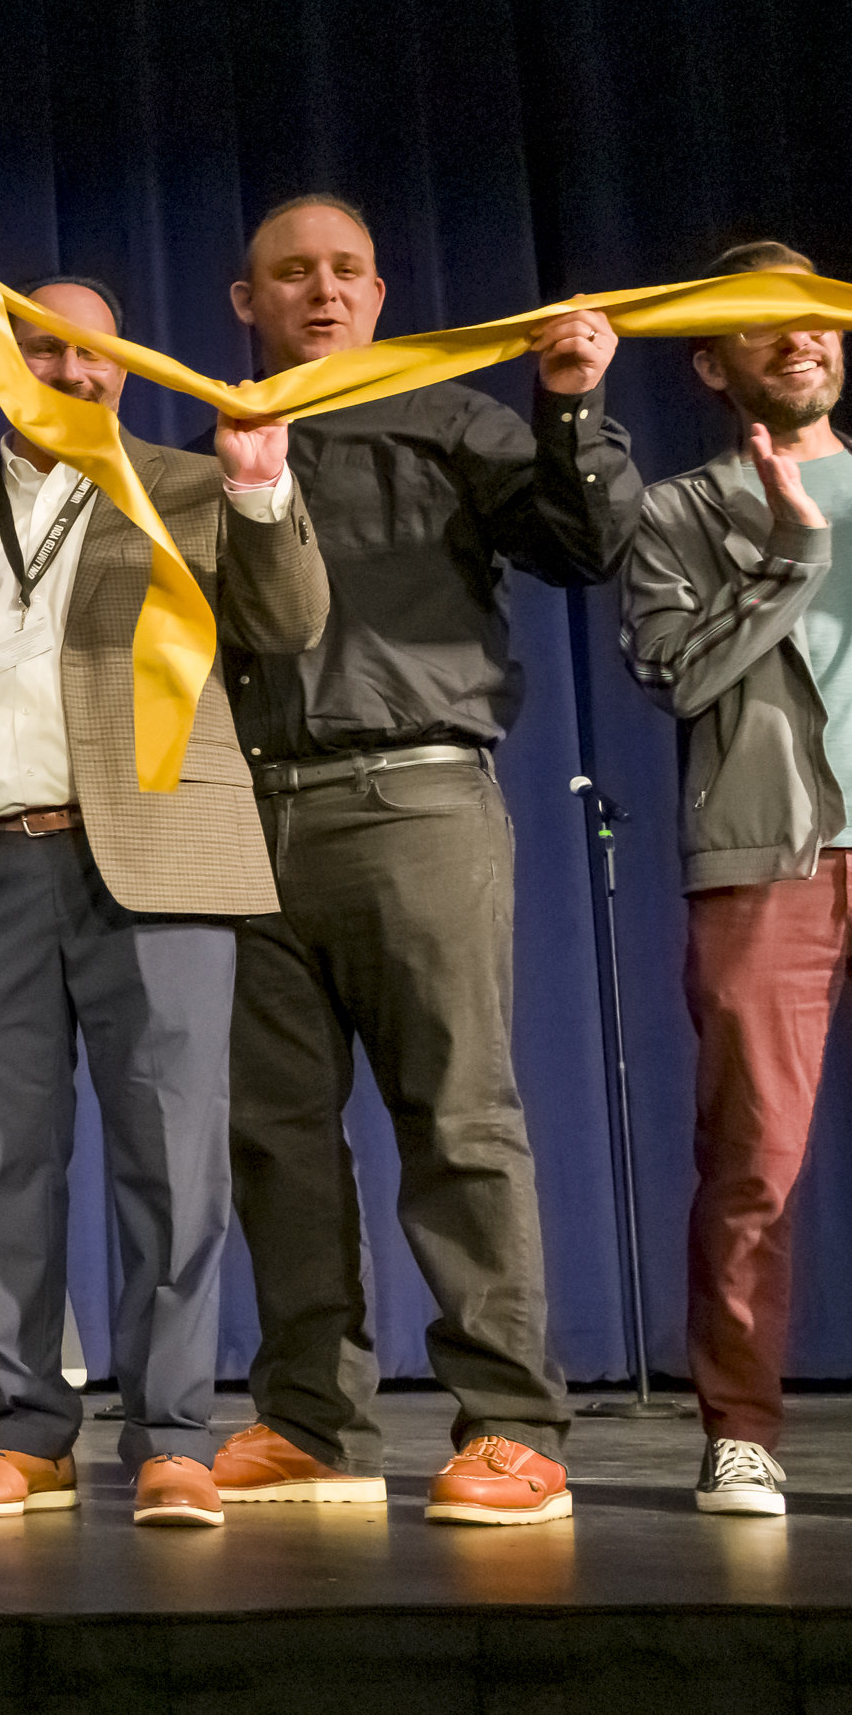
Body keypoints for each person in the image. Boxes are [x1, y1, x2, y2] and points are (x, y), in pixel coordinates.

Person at [0, 276, 325, 1533]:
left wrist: (261, 489)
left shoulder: (181, 487)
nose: (80, 376)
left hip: (157, 863)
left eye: (101, 357)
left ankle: (172, 1433)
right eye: (51, 356)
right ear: (7, 365)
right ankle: (27, 1431)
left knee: (172, 1157)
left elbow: (287, 627)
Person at [209, 194, 630, 1529]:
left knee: (459, 1116)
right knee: (277, 1140)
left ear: (381, 290)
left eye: (346, 270)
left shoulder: (456, 416)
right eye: (293, 274)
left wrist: (568, 403)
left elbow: (583, 542)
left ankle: (512, 1425)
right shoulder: (214, 439)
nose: (323, 292)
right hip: (250, 817)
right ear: (246, 300)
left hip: (417, 801)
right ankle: (309, 1421)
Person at [618, 239, 852, 1519]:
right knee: (755, 1160)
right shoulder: (678, 513)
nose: (799, 337)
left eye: (813, 314)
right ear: (712, 363)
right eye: (763, 324)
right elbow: (676, 675)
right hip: (771, 860)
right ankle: (742, 1431)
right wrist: (789, 555)